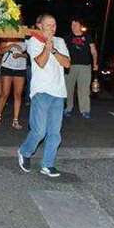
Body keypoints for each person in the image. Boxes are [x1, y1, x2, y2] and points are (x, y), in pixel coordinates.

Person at [17, 14, 70, 178]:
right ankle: (24, 151)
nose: (52, 28)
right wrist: (46, 48)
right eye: (48, 25)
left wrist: (53, 48)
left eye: (54, 25)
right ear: (39, 26)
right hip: (41, 90)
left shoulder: (60, 41)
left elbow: (67, 63)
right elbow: (40, 62)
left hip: (59, 92)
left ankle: (47, 165)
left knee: (55, 133)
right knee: (39, 131)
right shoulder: (33, 41)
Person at [64, 19, 98, 119]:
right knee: (68, 88)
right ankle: (68, 108)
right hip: (70, 66)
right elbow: (62, 50)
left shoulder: (87, 37)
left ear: (80, 26)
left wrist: (95, 62)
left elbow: (93, 50)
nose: (73, 26)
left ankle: (85, 110)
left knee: (84, 89)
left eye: (75, 24)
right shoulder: (67, 37)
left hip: (85, 66)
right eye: (72, 24)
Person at [0, 38, 27, 129]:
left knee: (18, 95)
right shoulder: (7, 37)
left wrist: (21, 55)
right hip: (7, 67)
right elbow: (0, 51)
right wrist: (12, 45)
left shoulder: (25, 39)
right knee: (5, 94)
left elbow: (28, 56)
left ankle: (15, 121)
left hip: (20, 68)